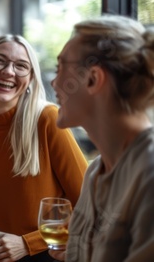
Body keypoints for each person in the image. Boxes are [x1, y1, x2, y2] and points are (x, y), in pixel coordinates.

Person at [0, 34, 88, 261]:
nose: (8, 71)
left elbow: (89, 203)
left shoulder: (48, 119)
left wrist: (28, 243)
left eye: (21, 66)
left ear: (31, 78)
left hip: (43, 254)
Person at [49, 15, 154, 261]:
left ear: (93, 79)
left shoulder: (149, 175)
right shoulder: (95, 171)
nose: (54, 82)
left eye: (60, 67)